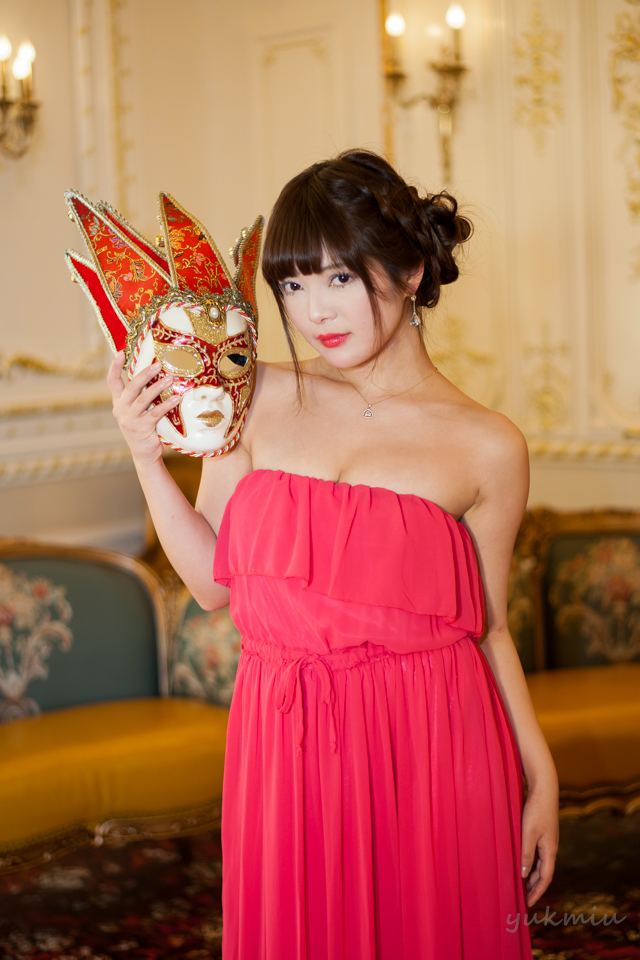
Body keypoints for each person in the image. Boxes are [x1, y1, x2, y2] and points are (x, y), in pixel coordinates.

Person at [108, 149, 559, 959]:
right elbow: (211, 583)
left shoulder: (489, 445)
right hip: (283, 742)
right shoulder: (257, 395)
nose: (314, 309)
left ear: (410, 271)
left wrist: (541, 775)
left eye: (339, 277)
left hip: (433, 740)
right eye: (291, 284)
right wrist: (146, 457)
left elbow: (491, 628)